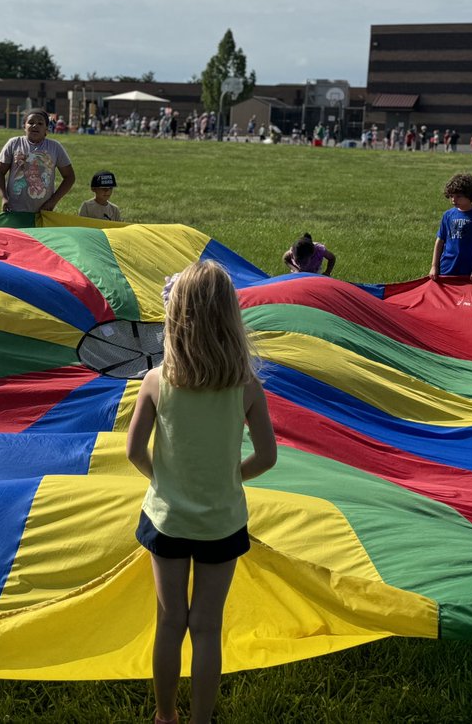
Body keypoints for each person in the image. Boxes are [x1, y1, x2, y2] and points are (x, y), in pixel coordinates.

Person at [126, 261, 277, 724]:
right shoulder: (246, 386)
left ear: (176, 318)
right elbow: (267, 457)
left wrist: (165, 482)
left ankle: (165, 716)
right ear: (231, 318)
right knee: (206, 629)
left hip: (168, 522)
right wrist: (230, 478)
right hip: (222, 523)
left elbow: (134, 451)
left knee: (170, 623)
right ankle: (200, 720)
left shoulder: (156, 382)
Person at [0, 110, 75, 213]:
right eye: (31, 122)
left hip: (43, 212)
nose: (35, 125)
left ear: (46, 129)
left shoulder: (55, 147)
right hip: (14, 210)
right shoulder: (14, 143)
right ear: (24, 126)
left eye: (40, 123)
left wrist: (53, 201)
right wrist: (4, 198)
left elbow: (69, 177)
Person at [429, 172, 472, 281]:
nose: (453, 199)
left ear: (470, 195)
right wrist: (434, 266)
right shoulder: (447, 215)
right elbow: (440, 241)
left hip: (469, 270)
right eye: (451, 196)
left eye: (458, 196)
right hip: (446, 268)